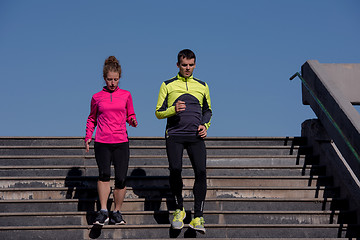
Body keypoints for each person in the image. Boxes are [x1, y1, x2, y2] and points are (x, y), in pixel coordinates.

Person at [155, 49, 212, 234]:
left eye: (190, 65)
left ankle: (198, 216)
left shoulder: (202, 85)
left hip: (196, 136)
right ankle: (179, 210)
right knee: (175, 170)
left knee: (201, 171)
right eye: (184, 65)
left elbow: (208, 111)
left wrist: (205, 126)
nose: (187, 68)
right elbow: (158, 112)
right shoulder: (167, 84)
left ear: (195, 65)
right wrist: (173, 109)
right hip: (175, 135)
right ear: (178, 65)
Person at [85, 56, 138, 226]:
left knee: (121, 178)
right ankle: (103, 211)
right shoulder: (96, 97)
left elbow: (130, 114)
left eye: (115, 79)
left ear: (119, 78)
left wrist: (132, 120)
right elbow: (92, 118)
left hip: (121, 141)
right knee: (104, 175)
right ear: (104, 78)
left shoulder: (126, 95)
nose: (112, 83)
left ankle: (116, 211)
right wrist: (88, 137)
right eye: (109, 79)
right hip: (102, 141)